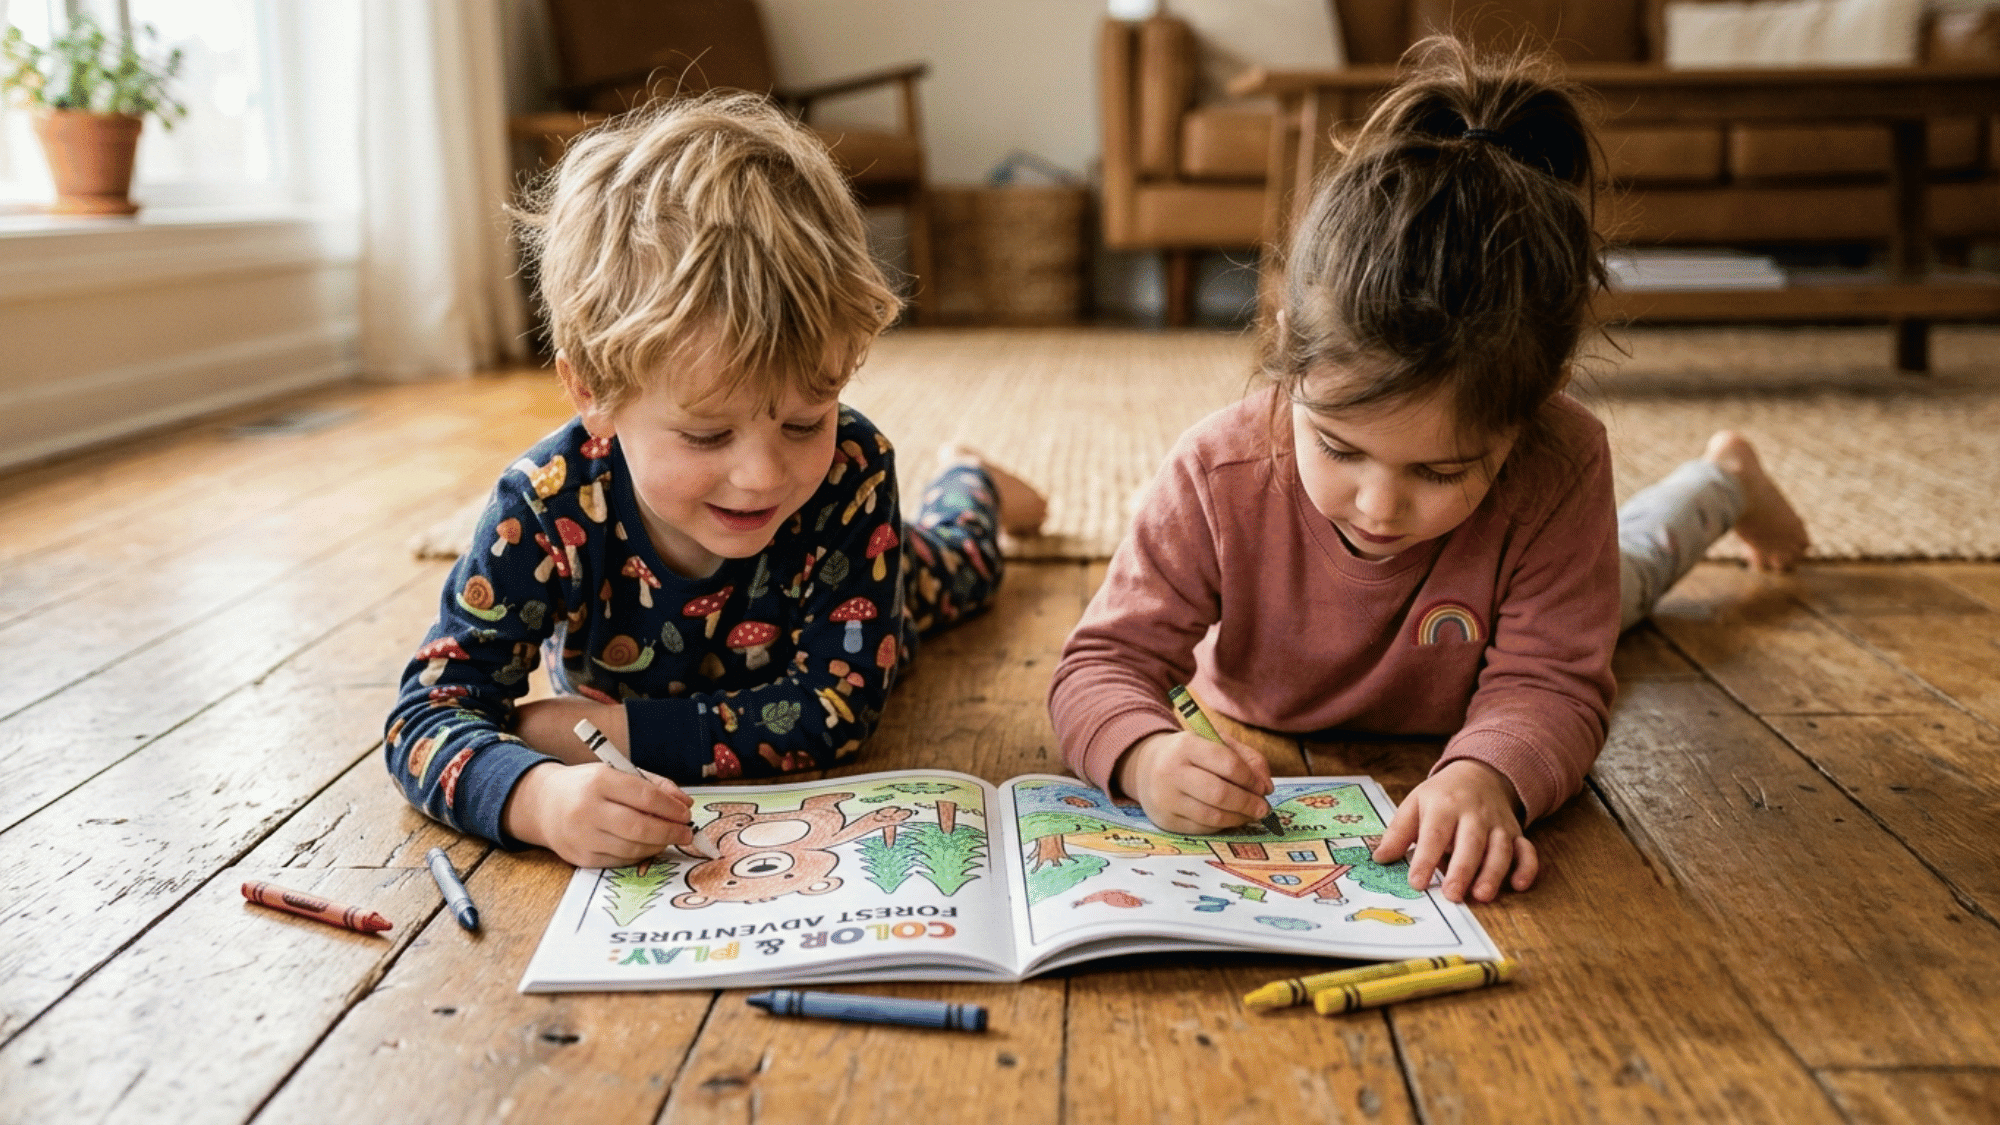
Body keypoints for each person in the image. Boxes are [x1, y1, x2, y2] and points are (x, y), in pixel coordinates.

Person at [1047, 40, 1809, 906]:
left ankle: (1722, 478)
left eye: (1443, 469)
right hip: (1299, 691)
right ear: (1287, 346)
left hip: (1516, 626)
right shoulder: (1217, 471)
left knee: (1633, 567)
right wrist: (1142, 754)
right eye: (1338, 448)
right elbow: (1097, 663)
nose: (1379, 506)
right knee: (1626, 562)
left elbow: (1553, 680)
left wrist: (1487, 774)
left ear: (1538, 402)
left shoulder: (1560, 461)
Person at [385, 92, 1045, 869]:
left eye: (805, 420)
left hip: (877, 579)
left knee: (962, 561)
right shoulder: (541, 505)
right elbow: (426, 716)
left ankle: (970, 479)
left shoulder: (849, 471)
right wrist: (536, 797)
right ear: (592, 391)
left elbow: (834, 711)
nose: (764, 475)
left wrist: (606, 735)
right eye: (706, 433)